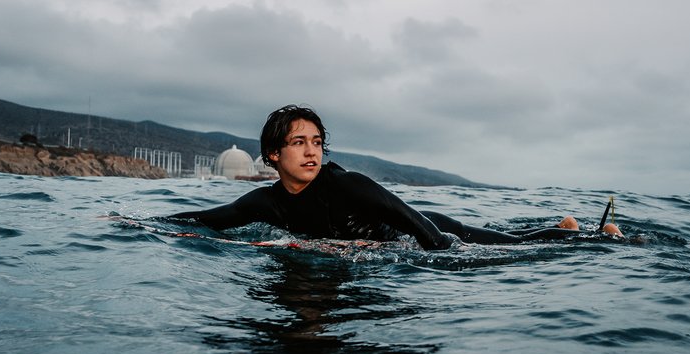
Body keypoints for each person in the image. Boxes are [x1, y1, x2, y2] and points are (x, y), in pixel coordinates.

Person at [171, 104, 595, 249]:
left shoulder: (345, 183)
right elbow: (209, 219)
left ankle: (592, 236)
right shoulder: (266, 201)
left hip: (432, 230)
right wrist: (133, 225)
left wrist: (445, 258)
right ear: (272, 154)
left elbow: (411, 219)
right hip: (401, 234)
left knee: (515, 246)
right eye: (299, 142)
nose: (310, 151)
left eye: (316, 142)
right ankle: (565, 227)